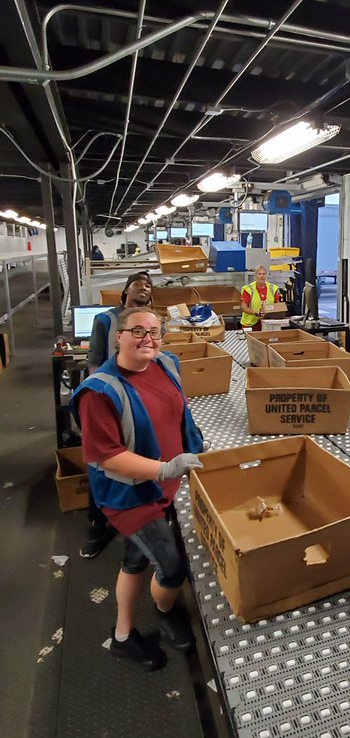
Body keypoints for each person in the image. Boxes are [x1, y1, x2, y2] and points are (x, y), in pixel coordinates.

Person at [71, 307, 204, 671]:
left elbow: (177, 414)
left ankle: (123, 635)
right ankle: (165, 610)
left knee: (136, 558)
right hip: (131, 496)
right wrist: (164, 469)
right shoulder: (100, 392)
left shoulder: (166, 364)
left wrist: (189, 449)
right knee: (171, 568)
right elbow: (107, 456)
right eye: (138, 331)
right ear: (119, 337)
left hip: (164, 484)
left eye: (155, 332)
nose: (148, 338)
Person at [81, 271, 154, 559]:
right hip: (109, 399)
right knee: (101, 461)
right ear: (125, 291)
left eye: (148, 285)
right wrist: (102, 397)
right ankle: (97, 525)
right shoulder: (105, 320)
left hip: (139, 399)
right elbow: (93, 361)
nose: (144, 288)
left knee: (136, 458)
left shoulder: (151, 322)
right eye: (138, 284)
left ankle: (136, 520)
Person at [241, 264, 282, 330]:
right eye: (259, 274)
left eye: (264, 274)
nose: (262, 276)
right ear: (255, 276)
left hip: (268, 322)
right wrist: (255, 313)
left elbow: (278, 305)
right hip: (250, 324)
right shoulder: (248, 289)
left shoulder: (273, 288)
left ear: (267, 275)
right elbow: (244, 307)